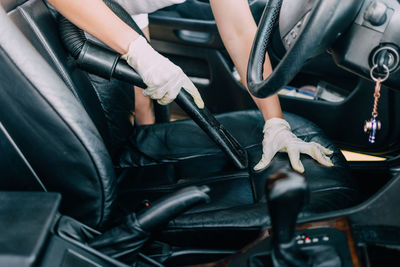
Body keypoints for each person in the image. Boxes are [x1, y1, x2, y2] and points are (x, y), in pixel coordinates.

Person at [47, 0, 332, 173]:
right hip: (55, 21)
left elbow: (241, 33)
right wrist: (139, 52)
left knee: (143, 106)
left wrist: (276, 123)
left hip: (122, 9)